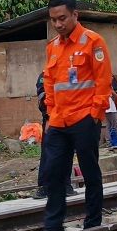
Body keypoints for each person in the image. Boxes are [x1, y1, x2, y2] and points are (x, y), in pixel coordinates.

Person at [29, 0, 112, 231]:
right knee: (54, 174)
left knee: (90, 171)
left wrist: (94, 114)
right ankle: (53, 226)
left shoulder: (93, 42)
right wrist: (52, 112)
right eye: (54, 20)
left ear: (75, 15)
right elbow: (50, 81)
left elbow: (103, 80)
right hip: (58, 121)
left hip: (84, 119)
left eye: (62, 18)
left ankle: (92, 223)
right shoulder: (52, 46)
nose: (58, 24)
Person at [34, 70, 75, 199]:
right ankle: (44, 187)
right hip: (52, 119)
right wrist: (47, 116)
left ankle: (66, 184)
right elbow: (43, 97)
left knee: (68, 152)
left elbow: (76, 92)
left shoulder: (72, 71)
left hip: (70, 118)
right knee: (48, 154)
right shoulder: (45, 74)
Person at [101, 77, 117, 147]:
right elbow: (116, 95)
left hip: (106, 108)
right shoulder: (108, 86)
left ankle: (108, 143)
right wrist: (115, 99)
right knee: (116, 125)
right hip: (111, 108)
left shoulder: (103, 86)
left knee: (108, 126)